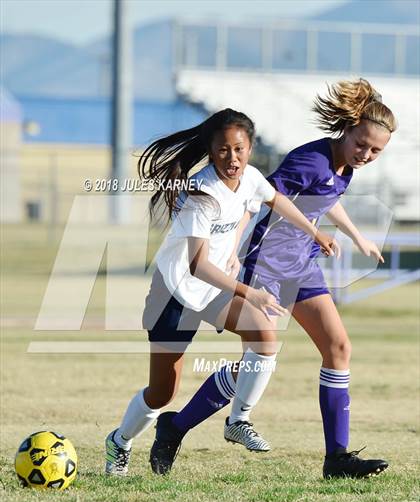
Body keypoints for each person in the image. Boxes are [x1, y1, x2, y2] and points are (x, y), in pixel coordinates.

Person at [150, 78, 397, 479]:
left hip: (302, 265)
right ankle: (176, 427)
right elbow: (258, 197)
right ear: (346, 129)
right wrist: (231, 246)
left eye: (375, 150)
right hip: (266, 266)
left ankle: (336, 458)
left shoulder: (342, 167)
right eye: (361, 144)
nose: (366, 154)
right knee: (259, 355)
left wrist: (357, 236)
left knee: (338, 347)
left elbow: (326, 200)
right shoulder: (310, 160)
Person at [104, 108, 337, 476]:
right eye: (224, 150)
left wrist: (315, 232)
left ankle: (238, 420)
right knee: (163, 393)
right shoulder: (201, 192)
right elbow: (197, 266)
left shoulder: (252, 178)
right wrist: (251, 292)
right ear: (211, 152)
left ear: (251, 149)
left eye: (240, 150)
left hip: (214, 291)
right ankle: (120, 441)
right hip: (175, 293)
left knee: (264, 336)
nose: (233, 158)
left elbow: (277, 200)